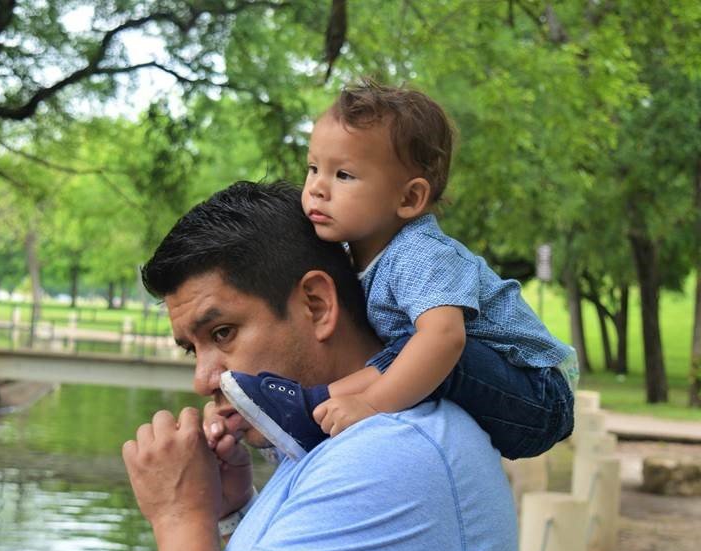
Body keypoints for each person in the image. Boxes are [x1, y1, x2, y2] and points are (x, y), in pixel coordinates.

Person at [122, 181, 518, 551]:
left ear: (317, 304)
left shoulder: (390, 452)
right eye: (192, 349)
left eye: (223, 333)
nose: (203, 380)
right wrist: (230, 511)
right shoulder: (342, 437)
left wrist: (178, 516)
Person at [224, 81, 578, 460]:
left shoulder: (420, 253)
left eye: (343, 175)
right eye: (313, 168)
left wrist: (372, 405)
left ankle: (314, 402)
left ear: (409, 198)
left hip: (538, 396)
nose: (316, 189)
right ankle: (307, 411)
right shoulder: (350, 253)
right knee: (404, 349)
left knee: (436, 347)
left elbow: (445, 339)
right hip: (489, 387)